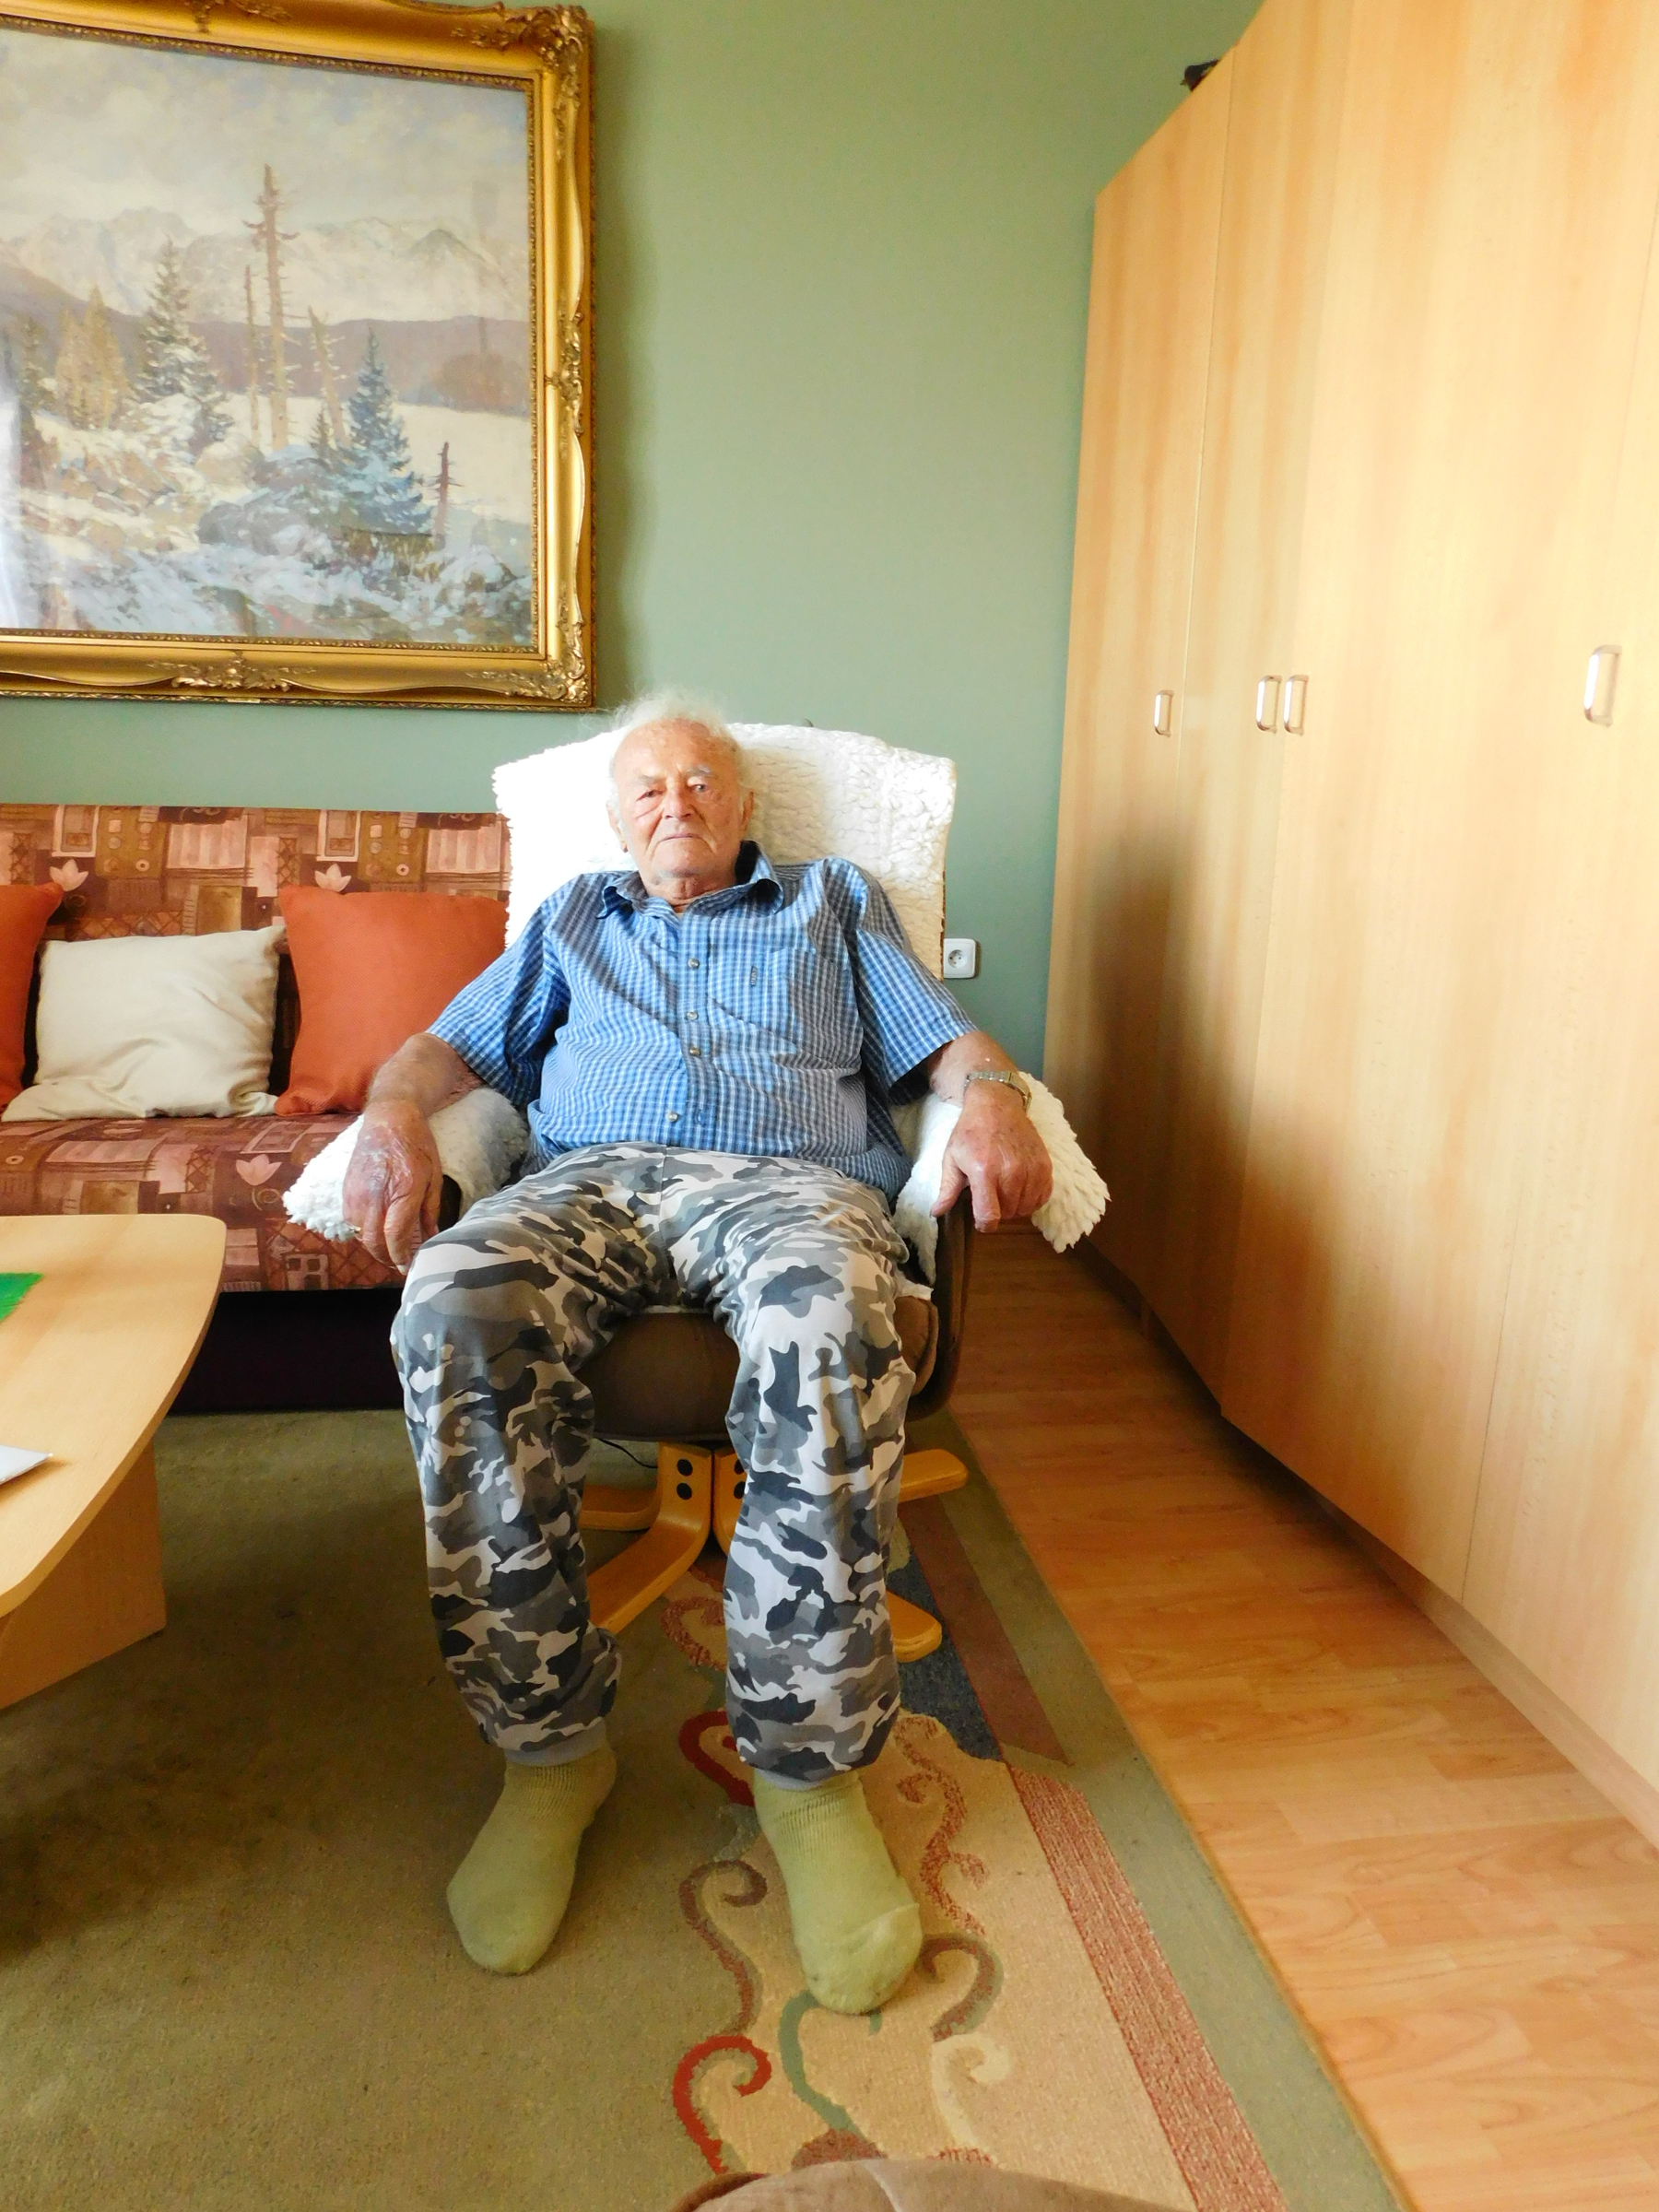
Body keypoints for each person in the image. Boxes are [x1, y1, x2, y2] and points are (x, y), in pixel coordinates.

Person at [343, 694, 1052, 2008]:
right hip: (590, 1183)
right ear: (619, 820)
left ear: (744, 808)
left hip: (791, 1187)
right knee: (453, 1302)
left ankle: (809, 1780)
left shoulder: (832, 902)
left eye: (702, 784)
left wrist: (997, 1098)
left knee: (827, 1320)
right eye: (650, 789)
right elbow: (443, 1050)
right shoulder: (575, 919)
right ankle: (550, 1756)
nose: (677, 804)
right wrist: (390, 1113)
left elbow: (947, 1045)